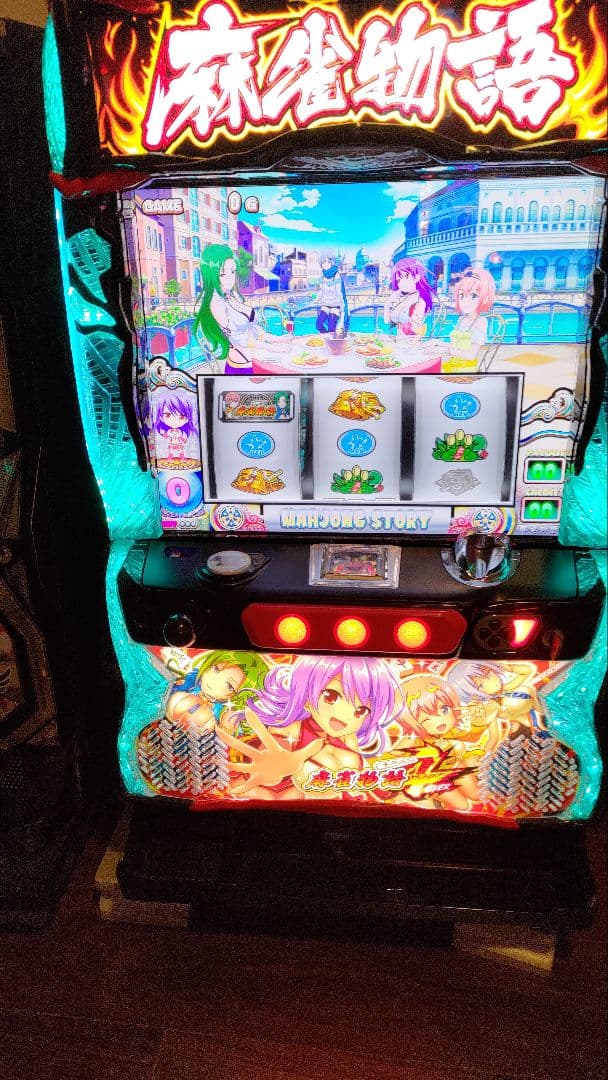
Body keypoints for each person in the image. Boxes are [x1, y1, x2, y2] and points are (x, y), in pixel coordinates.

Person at [217, 654, 403, 799]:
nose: (345, 714)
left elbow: (355, 780)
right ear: (305, 696)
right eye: (331, 696)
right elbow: (273, 750)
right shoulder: (293, 727)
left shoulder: (348, 738)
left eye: (361, 710)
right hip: (262, 798)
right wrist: (277, 763)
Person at [394, 673, 506, 811]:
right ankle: (426, 800)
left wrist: (487, 719)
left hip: (456, 767)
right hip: (432, 778)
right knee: (462, 806)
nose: (440, 719)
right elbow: (388, 761)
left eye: (444, 709)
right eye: (426, 717)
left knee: (477, 796)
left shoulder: (450, 733)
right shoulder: (412, 740)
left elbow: (474, 738)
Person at [193, 243, 256, 373]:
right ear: (211, 274)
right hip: (241, 368)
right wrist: (270, 346)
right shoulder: (215, 302)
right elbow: (238, 339)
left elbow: (252, 329)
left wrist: (274, 339)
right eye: (222, 274)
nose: (230, 278)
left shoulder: (230, 295)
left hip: (249, 360)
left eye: (232, 271)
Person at [443, 268, 496, 371]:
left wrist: (446, 350)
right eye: (461, 296)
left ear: (485, 298)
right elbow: (454, 345)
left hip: (466, 368)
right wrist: (437, 343)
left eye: (473, 296)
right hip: (453, 363)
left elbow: (471, 355)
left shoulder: (480, 322)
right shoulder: (461, 319)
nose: (465, 301)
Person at [383, 257, 435, 337]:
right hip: (399, 339)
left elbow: (415, 330)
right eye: (398, 280)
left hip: (410, 341)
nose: (402, 283)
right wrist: (388, 302)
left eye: (406, 276)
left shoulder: (419, 301)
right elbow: (387, 321)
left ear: (417, 277)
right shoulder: (405, 298)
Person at [151, 390, 198, 460]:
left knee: (180, 452)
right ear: (161, 417)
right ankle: (169, 459)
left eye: (181, 416)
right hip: (171, 444)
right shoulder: (168, 431)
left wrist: (181, 438)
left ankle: (182, 459)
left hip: (179, 444)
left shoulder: (181, 432)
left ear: (188, 419)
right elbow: (165, 436)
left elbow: (184, 438)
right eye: (167, 415)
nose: (174, 420)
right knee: (171, 452)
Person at [316, 256, 349, 335]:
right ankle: (326, 337)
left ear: (330, 264)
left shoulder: (336, 275)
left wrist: (342, 306)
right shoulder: (322, 275)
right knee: (318, 325)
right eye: (321, 263)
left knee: (331, 327)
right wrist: (316, 299)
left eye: (324, 262)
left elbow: (339, 292)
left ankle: (330, 339)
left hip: (335, 305)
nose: (322, 264)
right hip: (325, 304)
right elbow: (322, 291)